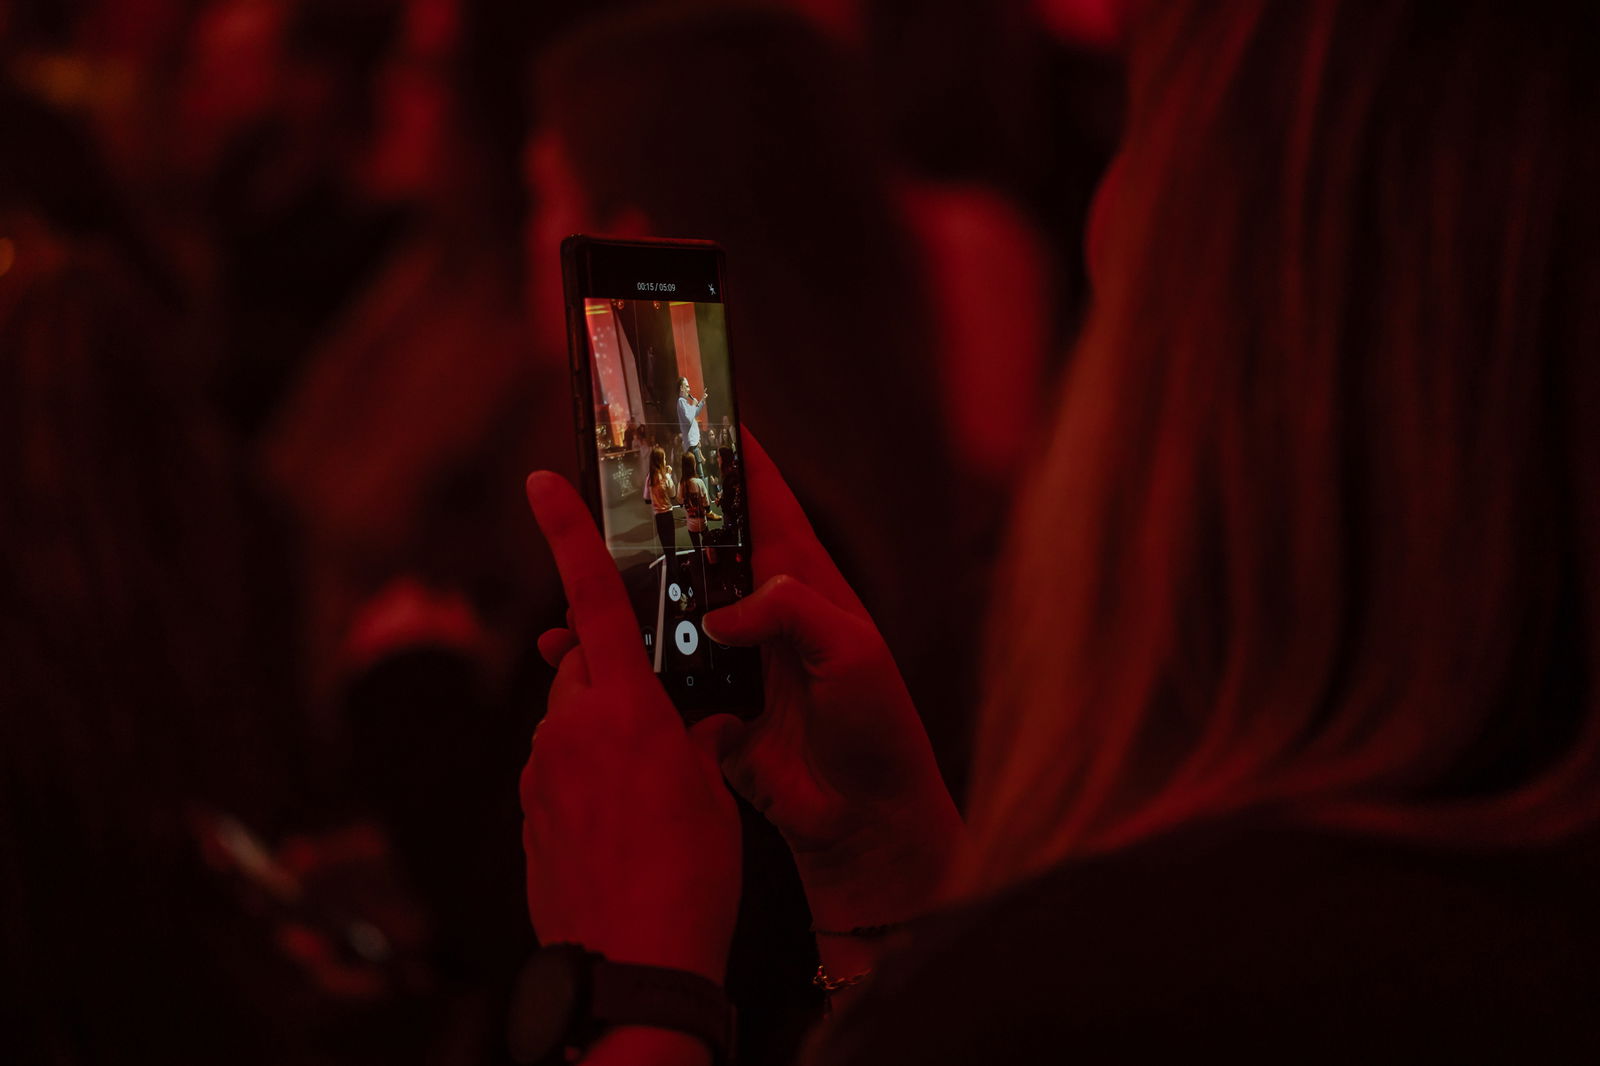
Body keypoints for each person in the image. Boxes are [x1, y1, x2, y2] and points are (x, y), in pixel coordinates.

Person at [517, 1, 1600, 1062]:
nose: (1102, 213)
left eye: (1151, 125)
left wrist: (636, 995)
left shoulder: (1169, 969)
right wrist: (882, 877)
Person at [680, 452, 714, 594]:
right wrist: (707, 509)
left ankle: (699, 569)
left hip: (691, 524)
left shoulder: (682, 484)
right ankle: (710, 568)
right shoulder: (699, 482)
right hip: (702, 522)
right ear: (694, 465)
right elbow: (706, 503)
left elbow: (680, 500)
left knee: (696, 548)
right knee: (708, 545)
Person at [647, 443, 679, 579]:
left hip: (658, 517)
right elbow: (673, 494)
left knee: (666, 548)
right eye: (664, 458)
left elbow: (646, 497)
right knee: (672, 547)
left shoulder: (649, 478)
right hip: (667, 515)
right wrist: (669, 475)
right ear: (661, 461)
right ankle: (676, 573)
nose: (666, 461)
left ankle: (672, 574)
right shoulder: (665, 477)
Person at [676, 376, 711, 470]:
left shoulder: (684, 402)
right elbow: (688, 419)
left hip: (694, 444)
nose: (689, 389)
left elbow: (694, 413)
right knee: (700, 474)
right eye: (687, 386)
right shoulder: (681, 402)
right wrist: (694, 405)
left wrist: (702, 400)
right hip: (692, 445)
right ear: (681, 388)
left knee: (701, 473)